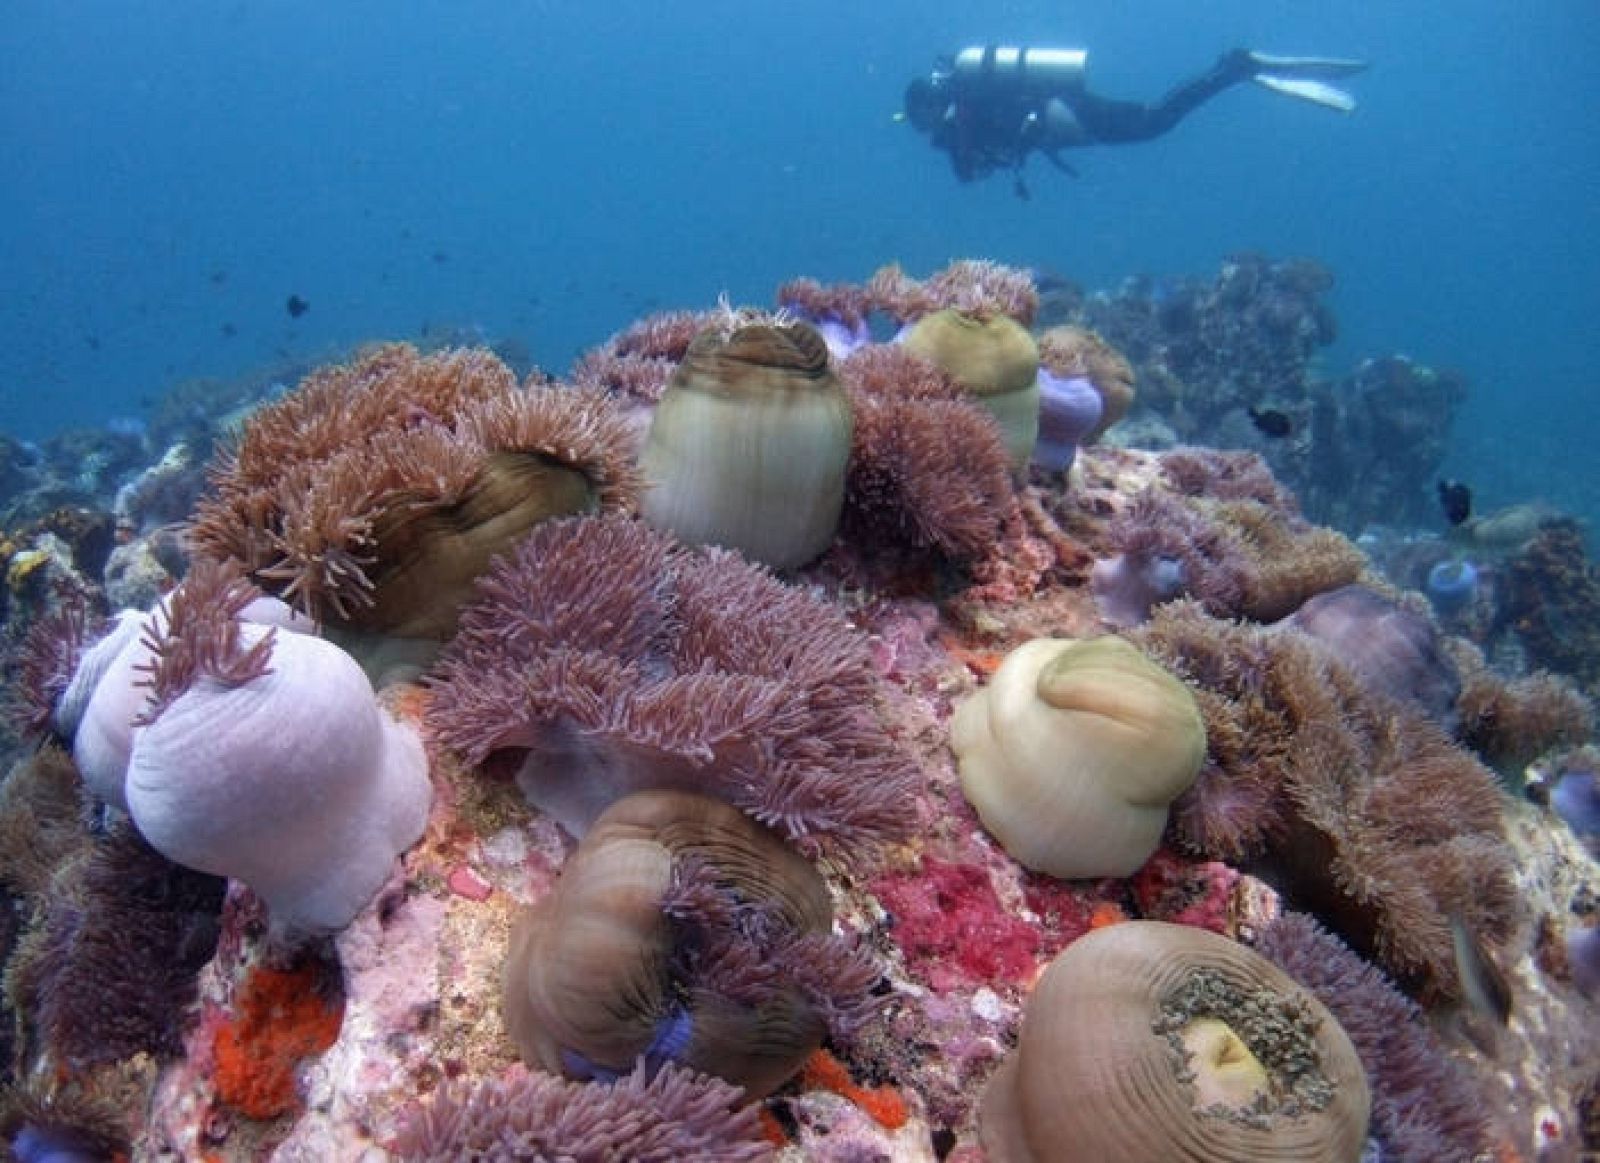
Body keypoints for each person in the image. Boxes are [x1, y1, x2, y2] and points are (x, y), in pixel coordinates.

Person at [902, 45, 1366, 197]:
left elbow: (1006, 133)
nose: (923, 132)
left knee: (1155, 121)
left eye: (920, 122)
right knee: (1154, 119)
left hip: (1070, 114)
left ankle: (1235, 67)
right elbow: (978, 168)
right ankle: (1234, 71)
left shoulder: (969, 112)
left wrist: (1021, 134)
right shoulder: (966, 114)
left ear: (929, 106)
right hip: (1068, 117)